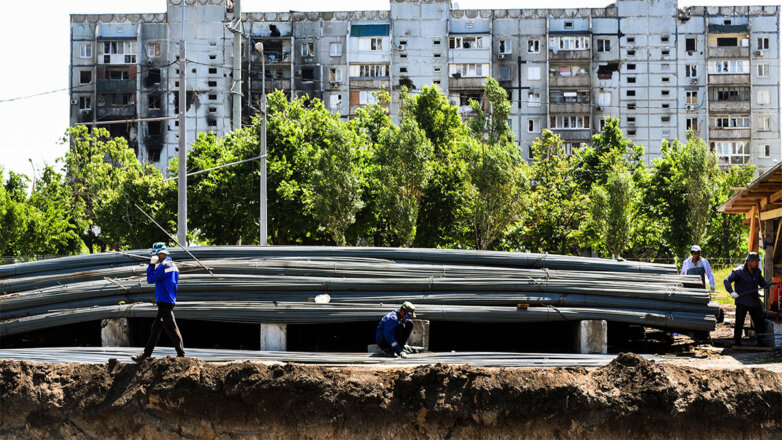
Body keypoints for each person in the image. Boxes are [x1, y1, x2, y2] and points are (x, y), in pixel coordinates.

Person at [132, 242, 185, 362]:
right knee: (156, 328)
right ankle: (147, 354)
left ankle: (181, 355)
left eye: (156, 254)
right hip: (169, 300)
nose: (155, 256)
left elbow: (150, 279)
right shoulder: (173, 266)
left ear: (161, 253)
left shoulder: (163, 266)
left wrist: (151, 264)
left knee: (171, 328)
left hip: (164, 301)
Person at [723, 252, 769, 346]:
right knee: (739, 322)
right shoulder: (738, 271)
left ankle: (760, 342)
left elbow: (762, 282)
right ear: (749, 261)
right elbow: (726, 280)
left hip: (754, 301)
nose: (757, 264)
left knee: (759, 321)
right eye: (756, 262)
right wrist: (731, 292)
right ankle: (737, 342)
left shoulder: (757, 271)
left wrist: (767, 285)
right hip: (742, 301)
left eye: (757, 262)